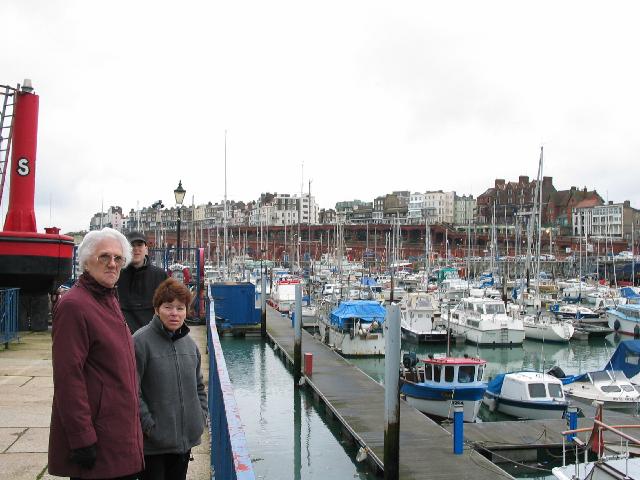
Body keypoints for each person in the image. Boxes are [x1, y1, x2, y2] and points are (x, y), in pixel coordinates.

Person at [48, 227, 144, 480]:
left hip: (119, 435)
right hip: (98, 440)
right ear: (86, 261)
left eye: (118, 258)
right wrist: (81, 438)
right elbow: (68, 378)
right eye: (104, 257)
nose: (112, 264)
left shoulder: (107, 298)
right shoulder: (74, 306)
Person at [134, 277, 208, 480]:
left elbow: (198, 386)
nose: (174, 313)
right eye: (168, 307)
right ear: (157, 309)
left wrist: (199, 417)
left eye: (180, 308)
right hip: (153, 446)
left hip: (184, 442)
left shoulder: (190, 346)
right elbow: (132, 391)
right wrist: (149, 426)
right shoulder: (140, 342)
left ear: (186, 311)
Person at [117, 231, 167, 333]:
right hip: (123, 337)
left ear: (146, 249)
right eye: (131, 245)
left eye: (139, 245)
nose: (136, 249)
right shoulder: (116, 276)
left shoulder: (160, 276)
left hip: (152, 337)